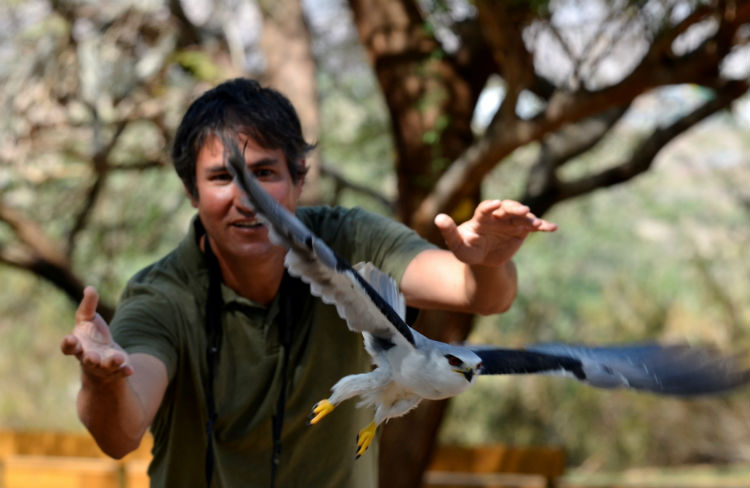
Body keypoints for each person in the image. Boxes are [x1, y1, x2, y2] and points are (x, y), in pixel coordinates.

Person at [60, 78, 557, 487]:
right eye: (220, 178)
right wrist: (102, 381)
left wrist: (488, 260)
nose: (246, 199)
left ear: (298, 178)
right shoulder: (162, 294)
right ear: (192, 192)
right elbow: (121, 431)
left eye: (263, 173)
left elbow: (478, 294)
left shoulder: (352, 240)